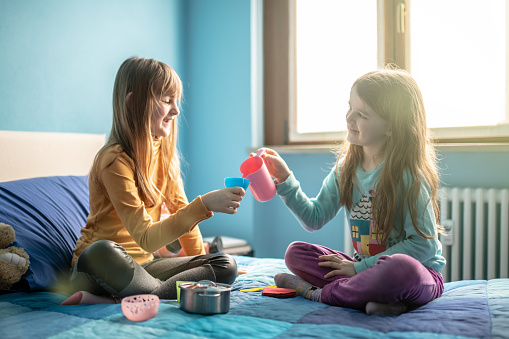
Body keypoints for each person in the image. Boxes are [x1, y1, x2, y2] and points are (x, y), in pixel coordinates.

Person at [258, 67, 445, 315]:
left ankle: (318, 293)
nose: (349, 118)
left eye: (362, 114)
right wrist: (284, 179)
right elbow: (314, 218)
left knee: (400, 268)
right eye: (350, 108)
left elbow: (424, 246)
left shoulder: (409, 176)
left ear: (391, 126)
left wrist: (358, 269)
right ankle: (378, 299)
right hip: (363, 269)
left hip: (419, 275)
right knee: (296, 253)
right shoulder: (346, 169)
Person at [62, 57, 245, 305]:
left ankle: (120, 299)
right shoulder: (114, 160)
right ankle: (138, 294)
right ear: (133, 103)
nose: (176, 110)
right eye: (167, 100)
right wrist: (204, 205)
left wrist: (201, 262)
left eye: (175, 101)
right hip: (99, 266)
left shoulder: (165, 156)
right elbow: (146, 238)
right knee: (103, 251)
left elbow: (182, 213)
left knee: (225, 264)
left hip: (144, 267)